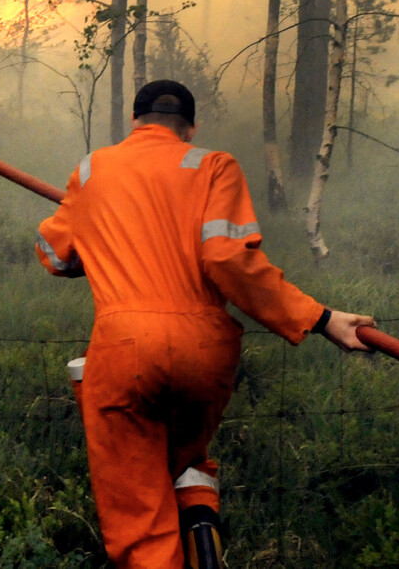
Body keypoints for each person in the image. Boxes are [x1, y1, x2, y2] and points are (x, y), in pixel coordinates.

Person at [34, 79, 375, 569]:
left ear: (135, 122)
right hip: (203, 351)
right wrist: (320, 318)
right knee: (186, 461)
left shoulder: (91, 170)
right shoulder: (214, 166)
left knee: (140, 511)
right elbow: (228, 259)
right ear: (189, 128)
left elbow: (55, 258)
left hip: (123, 349)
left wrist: (96, 230)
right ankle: (199, 528)